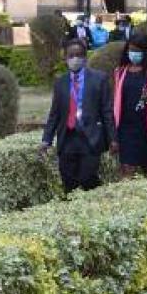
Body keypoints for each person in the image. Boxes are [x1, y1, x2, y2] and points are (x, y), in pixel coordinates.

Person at [40, 39, 115, 192]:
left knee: (87, 178)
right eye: (71, 55)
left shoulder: (99, 79)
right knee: (68, 181)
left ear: (85, 57)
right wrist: (46, 139)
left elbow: (107, 111)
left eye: (79, 55)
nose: (75, 59)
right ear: (65, 58)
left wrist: (113, 139)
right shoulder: (60, 82)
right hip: (67, 138)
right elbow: (54, 114)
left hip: (90, 138)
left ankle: (98, 200)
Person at [112, 32, 147, 177]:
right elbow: (117, 99)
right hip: (126, 129)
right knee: (127, 171)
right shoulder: (120, 71)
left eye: (138, 51)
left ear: (145, 52)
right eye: (131, 50)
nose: (134, 54)